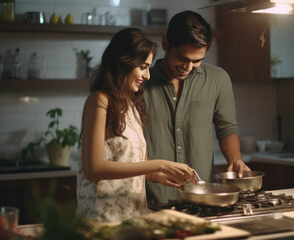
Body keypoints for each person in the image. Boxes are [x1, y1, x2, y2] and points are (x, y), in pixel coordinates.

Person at [76, 28, 196, 223]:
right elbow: (93, 169)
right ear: (123, 63)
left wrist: (155, 175)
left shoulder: (132, 105)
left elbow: (128, 163)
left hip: (134, 217)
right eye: (142, 67)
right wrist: (160, 164)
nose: (147, 75)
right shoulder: (99, 101)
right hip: (102, 221)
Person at [143, 11, 251, 204]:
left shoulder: (218, 79)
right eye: (183, 58)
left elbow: (226, 128)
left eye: (197, 61)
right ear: (166, 43)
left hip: (203, 198)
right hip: (151, 199)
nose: (188, 66)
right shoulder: (140, 84)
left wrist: (235, 160)